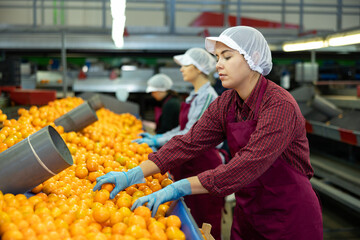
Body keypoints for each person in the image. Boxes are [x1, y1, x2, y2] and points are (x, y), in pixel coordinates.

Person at [94, 26, 324, 239]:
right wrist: (134, 174)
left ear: (253, 58)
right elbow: (188, 142)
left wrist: (178, 186)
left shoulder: (279, 105)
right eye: (217, 58)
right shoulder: (227, 103)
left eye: (227, 56)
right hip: (248, 211)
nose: (218, 65)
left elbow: (248, 164)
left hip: (289, 214)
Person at [98, 47, 226, 240]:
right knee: (191, 213)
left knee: (205, 216)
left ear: (199, 68)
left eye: (185, 65)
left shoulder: (208, 97)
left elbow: (192, 135)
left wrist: (157, 142)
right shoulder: (195, 95)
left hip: (203, 163)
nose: (181, 69)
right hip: (189, 160)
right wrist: (156, 139)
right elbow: (181, 130)